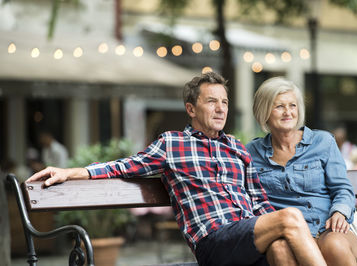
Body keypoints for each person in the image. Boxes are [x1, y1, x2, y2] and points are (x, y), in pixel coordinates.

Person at [27, 72, 327, 266]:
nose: (221, 108)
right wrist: (72, 172)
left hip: (248, 237)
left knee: (281, 251)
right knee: (289, 218)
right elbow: (126, 165)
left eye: (224, 102)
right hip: (214, 241)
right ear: (191, 109)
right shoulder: (172, 144)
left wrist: (277, 231)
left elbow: (259, 200)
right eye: (212, 101)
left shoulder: (236, 147)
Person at [245, 77, 357, 266]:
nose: (288, 112)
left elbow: (343, 189)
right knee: (279, 249)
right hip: (286, 235)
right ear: (264, 111)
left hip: (327, 229)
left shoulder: (323, 142)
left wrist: (340, 213)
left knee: (335, 246)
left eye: (292, 105)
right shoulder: (252, 152)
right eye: (279, 106)